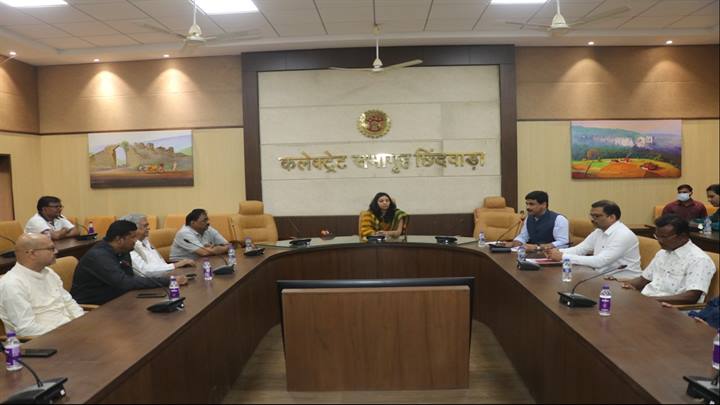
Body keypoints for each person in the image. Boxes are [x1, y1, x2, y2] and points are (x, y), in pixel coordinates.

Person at [71, 220, 186, 305]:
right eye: (132, 237)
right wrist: (168, 280)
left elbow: (130, 278)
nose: (136, 241)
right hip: (94, 305)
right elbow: (124, 282)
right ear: (119, 239)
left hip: (118, 299)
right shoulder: (99, 256)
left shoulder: (123, 251)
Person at [0, 233, 84, 336]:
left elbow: (69, 302)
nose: (56, 251)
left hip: (69, 330)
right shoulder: (12, 284)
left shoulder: (49, 272)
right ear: (32, 254)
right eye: (51, 249)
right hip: (44, 340)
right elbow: (26, 329)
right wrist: (66, 332)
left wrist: (82, 322)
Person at [621, 214, 716, 305]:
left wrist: (649, 300)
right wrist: (621, 285)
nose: (659, 241)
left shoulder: (699, 260)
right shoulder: (662, 253)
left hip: (674, 309)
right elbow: (643, 280)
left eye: (664, 237)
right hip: (649, 302)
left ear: (682, 236)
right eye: (657, 236)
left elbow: (691, 297)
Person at [546, 200, 641, 276]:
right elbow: (580, 249)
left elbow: (600, 261)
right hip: (601, 276)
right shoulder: (599, 231)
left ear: (612, 217)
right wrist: (554, 252)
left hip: (623, 281)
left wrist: (563, 256)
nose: (592, 220)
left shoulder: (623, 235)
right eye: (592, 216)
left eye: (597, 216)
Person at [119, 214, 195, 277]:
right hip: (149, 284)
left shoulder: (145, 241)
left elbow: (160, 263)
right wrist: (175, 265)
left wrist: (174, 269)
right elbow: (144, 271)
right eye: (145, 226)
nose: (148, 228)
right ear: (134, 229)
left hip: (165, 277)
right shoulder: (128, 247)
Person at [502, 190, 568, 250]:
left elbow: (563, 242)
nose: (527, 207)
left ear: (544, 205)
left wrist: (538, 247)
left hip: (552, 255)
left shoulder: (559, 219)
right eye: (527, 204)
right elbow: (523, 237)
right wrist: (513, 243)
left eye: (531, 204)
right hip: (532, 255)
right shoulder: (529, 218)